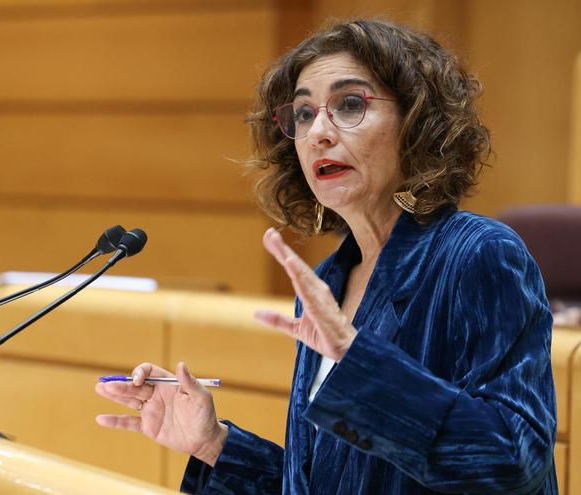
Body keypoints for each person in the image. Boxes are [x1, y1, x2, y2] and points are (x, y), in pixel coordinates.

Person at [94, 19, 558, 494]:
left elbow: (514, 462)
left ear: (416, 122)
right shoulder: (327, 283)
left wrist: (359, 363)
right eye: (302, 113)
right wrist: (214, 443)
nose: (317, 132)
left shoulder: (477, 255)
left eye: (350, 104)